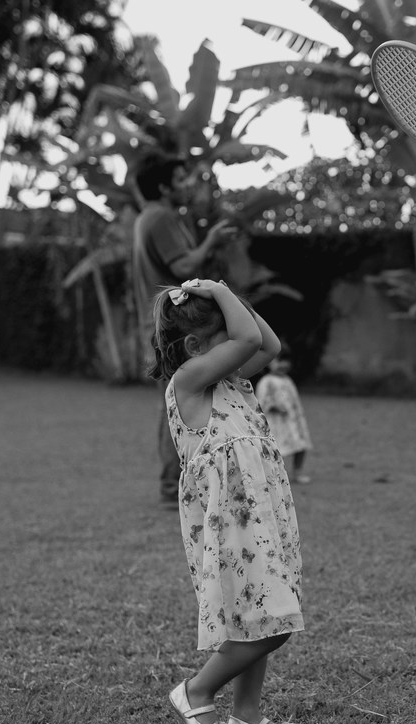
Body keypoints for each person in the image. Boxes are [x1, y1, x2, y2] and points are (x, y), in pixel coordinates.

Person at [150, 278, 305, 724]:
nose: (238, 353)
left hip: (260, 510)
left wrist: (225, 293)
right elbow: (252, 340)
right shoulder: (188, 383)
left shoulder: (231, 382)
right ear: (195, 347)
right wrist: (219, 291)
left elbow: (267, 343)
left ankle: (247, 716)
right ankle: (195, 690)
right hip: (232, 520)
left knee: (254, 616)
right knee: (275, 621)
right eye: (225, 341)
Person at [132, 154, 237, 503]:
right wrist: (211, 242)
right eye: (179, 179)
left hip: (164, 322)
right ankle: (172, 485)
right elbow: (183, 265)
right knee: (177, 401)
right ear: (163, 187)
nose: (187, 184)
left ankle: (178, 481)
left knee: (174, 399)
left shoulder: (148, 217)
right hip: (175, 326)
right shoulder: (160, 217)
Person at [254, 344, 314, 484]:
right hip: (277, 423)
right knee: (278, 449)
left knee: (300, 445)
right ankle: (275, 474)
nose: (284, 365)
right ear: (268, 362)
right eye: (279, 360)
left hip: (293, 421)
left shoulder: (288, 380)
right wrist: (274, 407)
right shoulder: (266, 382)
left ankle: (297, 472)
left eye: (286, 361)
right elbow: (261, 402)